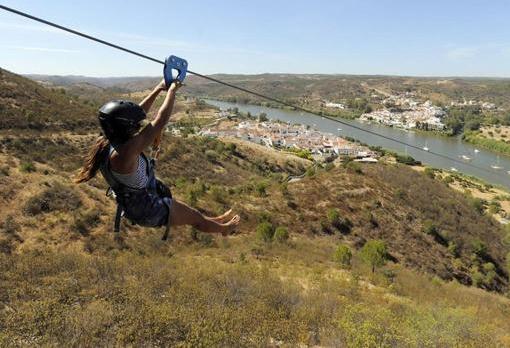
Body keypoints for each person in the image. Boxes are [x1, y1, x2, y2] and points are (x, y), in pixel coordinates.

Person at [75, 79, 240, 237]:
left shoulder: (109, 139)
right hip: (149, 209)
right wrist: (172, 91)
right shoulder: (125, 152)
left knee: (193, 215)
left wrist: (159, 88)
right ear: (125, 127)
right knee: (196, 220)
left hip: (143, 197)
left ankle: (214, 222)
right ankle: (223, 230)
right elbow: (160, 121)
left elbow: (137, 115)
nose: (137, 125)